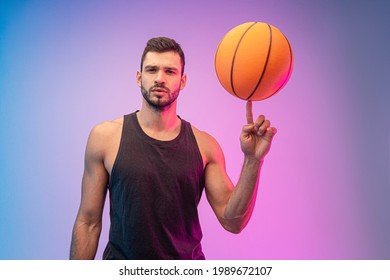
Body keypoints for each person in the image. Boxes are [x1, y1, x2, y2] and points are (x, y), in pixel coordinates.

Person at [70, 37, 277, 260]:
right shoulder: (105, 138)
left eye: (170, 71)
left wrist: (252, 160)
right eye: (151, 70)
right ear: (139, 78)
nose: (160, 78)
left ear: (183, 80)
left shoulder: (205, 146)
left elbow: (233, 221)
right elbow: (88, 222)